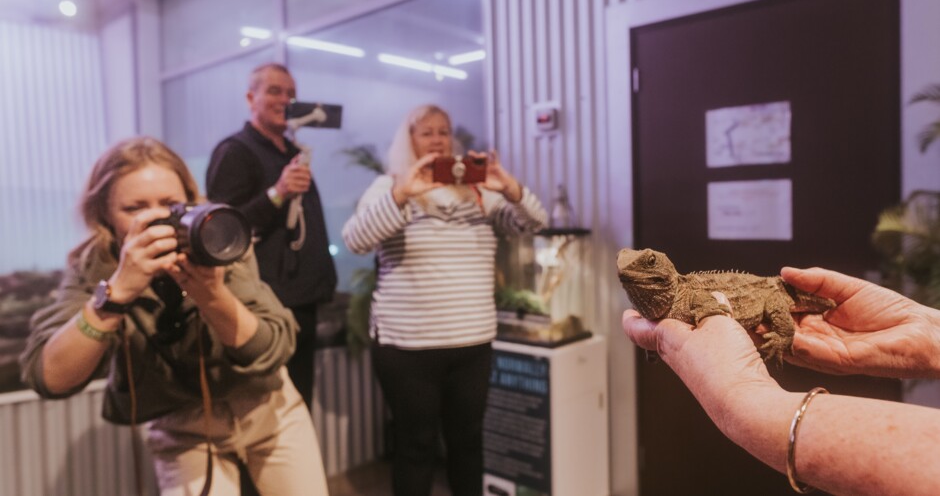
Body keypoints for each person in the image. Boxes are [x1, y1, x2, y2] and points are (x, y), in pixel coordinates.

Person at [20, 137, 329, 495]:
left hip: (266, 408)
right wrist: (115, 296)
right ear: (104, 213)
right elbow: (50, 377)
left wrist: (212, 295)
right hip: (184, 428)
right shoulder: (96, 266)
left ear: (191, 199)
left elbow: (272, 348)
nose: (156, 218)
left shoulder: (216, 239)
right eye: (135, 208)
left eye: (170, 204)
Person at [341, 104, 547, 496]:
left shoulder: (477, 192)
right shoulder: (389, 186)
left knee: (468, 444)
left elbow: (533, 223)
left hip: (472, 341)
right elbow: (356, 239)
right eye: (427, 132)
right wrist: (402, 194)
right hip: (408, 345)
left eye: (444, 131)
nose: (437, 139)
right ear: (410, 140)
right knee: (415, 447)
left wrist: (509, 187)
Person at [622, 265, 940, 495]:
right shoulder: (675, 302)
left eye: (647, 263)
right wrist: (925, 329)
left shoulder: (691, 296)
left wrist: (743, 393)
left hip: (770, 296)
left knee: (777, 312)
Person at [206, 62, 337, 411]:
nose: (285, 100)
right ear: (251, 98)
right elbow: (220, 231)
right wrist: (277, 194)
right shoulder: (234, 152)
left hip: (302, 299)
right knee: (267, 406)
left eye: (291, 94)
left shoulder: (293, 153)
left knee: (298, 404)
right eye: (274, 91)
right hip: (266, 302)